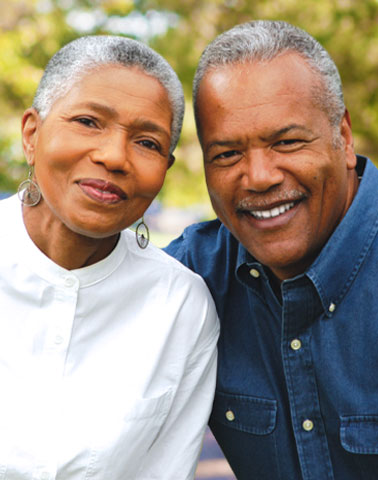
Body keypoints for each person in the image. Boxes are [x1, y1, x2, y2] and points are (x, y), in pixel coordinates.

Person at [165, 20, 378, 480]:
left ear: (343, 136)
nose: (259, 176)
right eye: (226, 154)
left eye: (286, 142)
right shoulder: (188, 279)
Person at [0, 35, 219, 479]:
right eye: (87, 121)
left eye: (147, 143)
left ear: (165, 170)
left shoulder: (181, 306)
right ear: (31, 133)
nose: (115, 156)